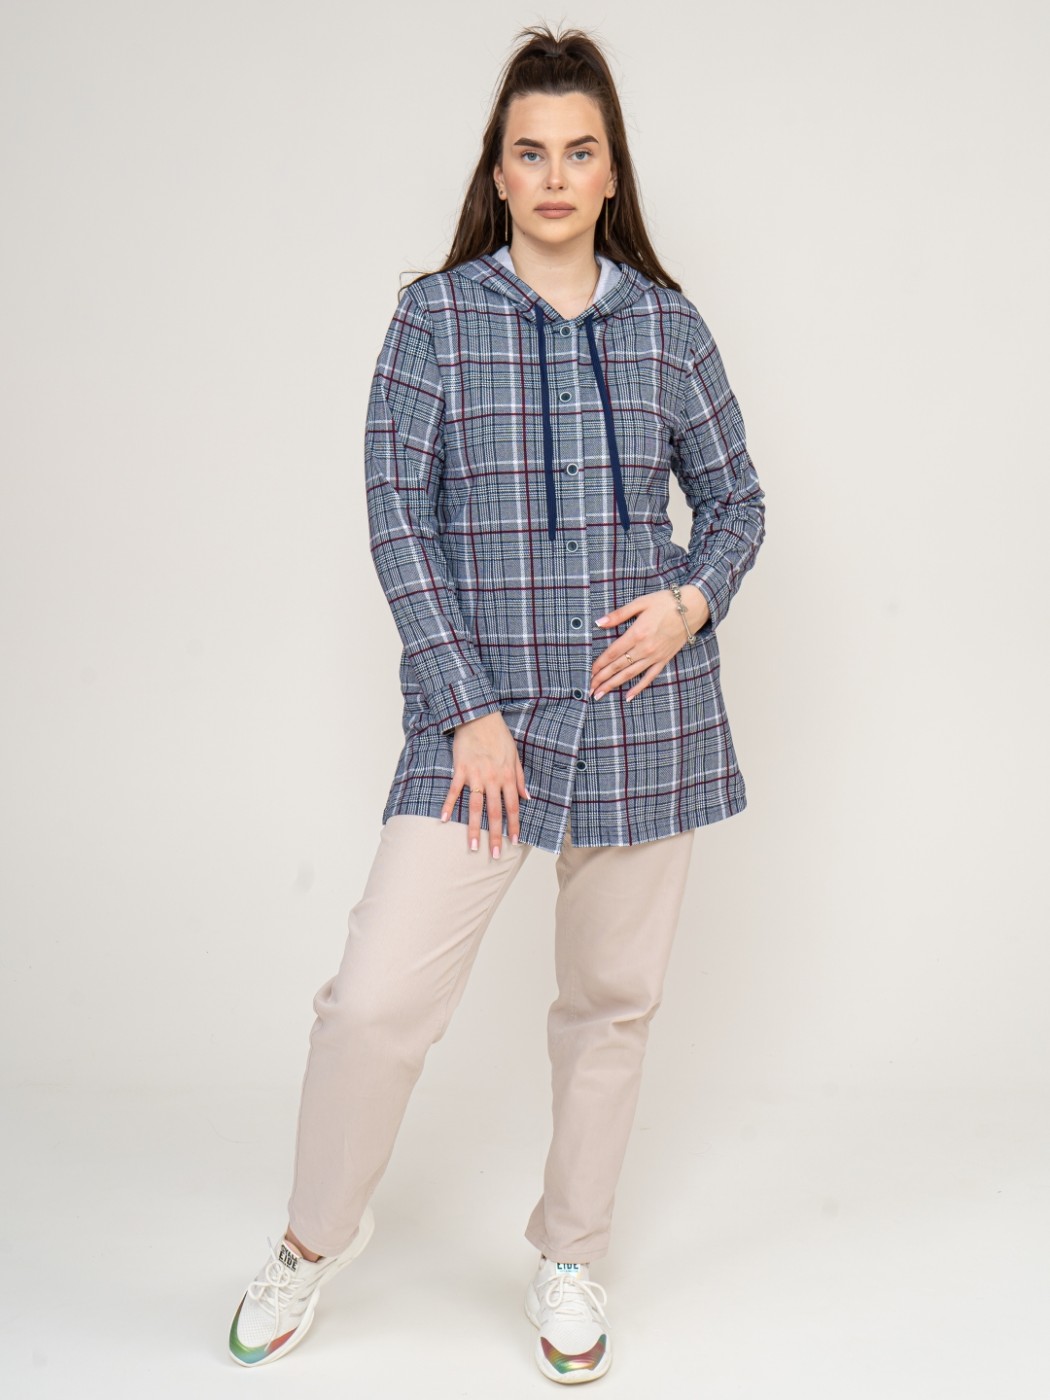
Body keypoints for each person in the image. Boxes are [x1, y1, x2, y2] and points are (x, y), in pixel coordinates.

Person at [227, 23, 766, 1386]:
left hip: (645, 715)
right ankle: (310, 1239)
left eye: (580, 152)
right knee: (372, 1006)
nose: (555, 176)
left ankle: (570, 1253)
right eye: (532, 152)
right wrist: (466, 707)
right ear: (500, 169)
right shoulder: (436, 319)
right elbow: (396, 517)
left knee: (610, 1004)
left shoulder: (667, 325)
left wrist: (691, 602)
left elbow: (737, 501)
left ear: (611, 170)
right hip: (483, 725)